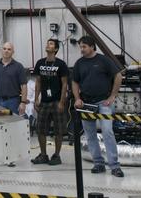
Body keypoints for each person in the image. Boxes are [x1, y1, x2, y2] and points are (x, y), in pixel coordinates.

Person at [71, 35, 124, 177]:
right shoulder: (79, 64)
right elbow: (75, 82)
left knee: (107, 132)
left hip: (103, 102)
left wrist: (113, 95)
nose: (81, 49)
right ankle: (98, 163)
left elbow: (118, 76)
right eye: (80, 47)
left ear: (92, 47)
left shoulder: (103, 60)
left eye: (84, 47)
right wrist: (77, 98)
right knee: (90, 135)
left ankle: (114, 166)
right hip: (86, 103)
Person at [31, 38, 69, 165]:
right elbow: (38, 82)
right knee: (40, 129)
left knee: (58, 130)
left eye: (51, 44)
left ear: (56, 49)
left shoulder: (61, 64)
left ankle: (57, 156)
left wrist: (62, 102)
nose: (48, 45)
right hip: (44, 102)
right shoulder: (40, 63)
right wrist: (36, 98)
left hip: (57, 101)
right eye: (47, 43)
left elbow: (64, 84)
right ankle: (43, 155)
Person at [0, 41, 27, 115]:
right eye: (4, 49)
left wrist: (23, 102)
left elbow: (24, 86)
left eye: (9, 49)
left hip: (13, 102)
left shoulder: (18, 66)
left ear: (13, 52)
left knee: (13, 124)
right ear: (1, 50)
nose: (6, 51)